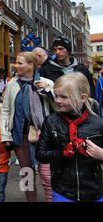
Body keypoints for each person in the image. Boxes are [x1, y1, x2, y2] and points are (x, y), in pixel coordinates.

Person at [36, 72, 103, 202]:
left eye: (64, 97)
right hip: (63, 191)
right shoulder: (51, 121)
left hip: (94, 192)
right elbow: (40, 154)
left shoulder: (98, 124)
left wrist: (100, 154)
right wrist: (62, 153)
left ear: (83, 98)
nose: (57, 100)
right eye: (56, 95)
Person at [0, 52, 54, 202]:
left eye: (19, 63)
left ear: (31, 65)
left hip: (44, 136)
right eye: (16, 62)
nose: (15, 66)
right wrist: (6, 135)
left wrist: (47, 92)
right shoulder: (12, 84)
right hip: (20, 135)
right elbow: (6, 110)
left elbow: (59, 106)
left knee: (47, 174)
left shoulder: (46, 83)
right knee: (26, 173)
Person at [0, 102, 11, 202]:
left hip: (2, 165)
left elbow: (9, 147)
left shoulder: (4, 129)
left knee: (0, 189)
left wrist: (9, 144)